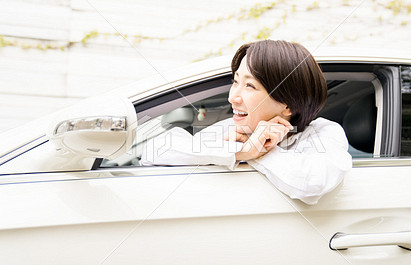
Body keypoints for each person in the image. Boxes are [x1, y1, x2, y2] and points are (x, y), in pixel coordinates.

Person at [141, 40, 352, 205]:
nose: (233, 96)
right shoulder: (232, 128)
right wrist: (242, 151)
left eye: (249, 86)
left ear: (287, 105)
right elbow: (154, 152)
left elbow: (312, 185)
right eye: (235, 81)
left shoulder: (323, 132)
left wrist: (262, 151)